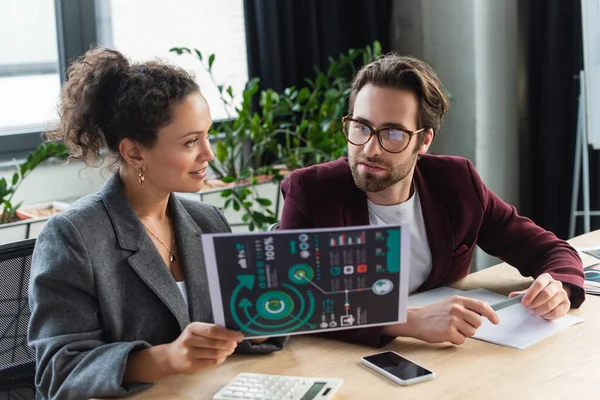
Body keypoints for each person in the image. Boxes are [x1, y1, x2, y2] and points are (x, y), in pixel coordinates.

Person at [28, 48, 286, 400]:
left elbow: (229, 331)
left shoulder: (207, 220)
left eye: (207, 135)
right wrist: (166, 358)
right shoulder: (73, 236)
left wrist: (256, 326)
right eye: (191, 141)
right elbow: (59, 371)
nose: (209, 154)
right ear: (135, 153)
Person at [279, 53, 585, 348]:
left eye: (393, 134)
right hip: (346, 363)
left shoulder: (456, 183)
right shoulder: (311, 191)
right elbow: (290, 300)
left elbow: (549, 249)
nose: (370, 149)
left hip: (446, 361)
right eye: (361, 127)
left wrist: (559, 286)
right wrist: (408, 321)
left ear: (424, 140)